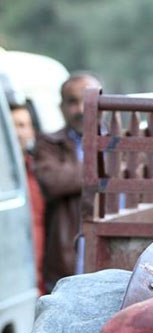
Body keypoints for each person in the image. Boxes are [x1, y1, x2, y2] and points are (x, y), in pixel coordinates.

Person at [34, 72, 102, 293]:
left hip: (111, 261)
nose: (81, 109)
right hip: (65, 265)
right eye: (73, 101)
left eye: (88, 100)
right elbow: (53, 182)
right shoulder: (49, 144)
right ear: (61, 107)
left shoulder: (121, 143)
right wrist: (105, 167)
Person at [9, 98, 46, 294]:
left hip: (40, 266)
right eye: (12, 125)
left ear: (32, 131)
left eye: (22, 125)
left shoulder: (40, 169)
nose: (17, 132)